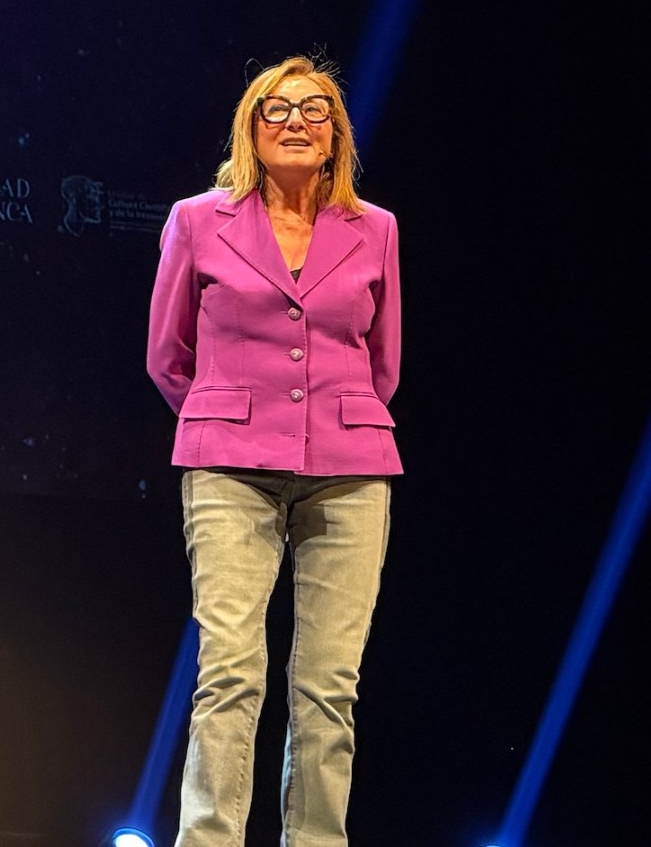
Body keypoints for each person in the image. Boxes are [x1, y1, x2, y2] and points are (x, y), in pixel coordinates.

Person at [146, 56, 401, 846]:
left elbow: (384, 364)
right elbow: (168, 356)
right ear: (251, 129)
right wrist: (226, 421)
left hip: (349, 471)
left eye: (314, 109)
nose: (296, 120)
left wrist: (335, 423)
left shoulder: (376, 229)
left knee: (328, 688)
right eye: (277, 108)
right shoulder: (198, 220)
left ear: (336, 136)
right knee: (230, 672)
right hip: (228, 468)